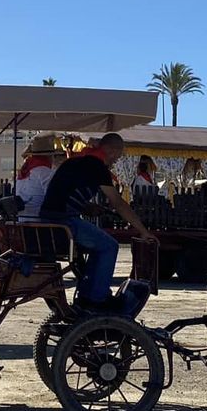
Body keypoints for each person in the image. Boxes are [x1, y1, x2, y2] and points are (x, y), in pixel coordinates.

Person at [39, 132, 157, 309]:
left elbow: (64, 195)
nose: (118, 159)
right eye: (118, 154)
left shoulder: (76, 162)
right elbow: (118, 202)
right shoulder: (97, 167)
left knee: (98, 247)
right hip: (63, 222)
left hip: (50, 218)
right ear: (110, 149)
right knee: (110, 246)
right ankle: (97, 298)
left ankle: (87, 295)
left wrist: (87, 208)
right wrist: (143, 231)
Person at [14, 136, 61, 219]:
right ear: (50, 157)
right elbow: (55, 198)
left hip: (22, 221)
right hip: (40, 223)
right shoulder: (45, 172)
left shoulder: (23, 171)